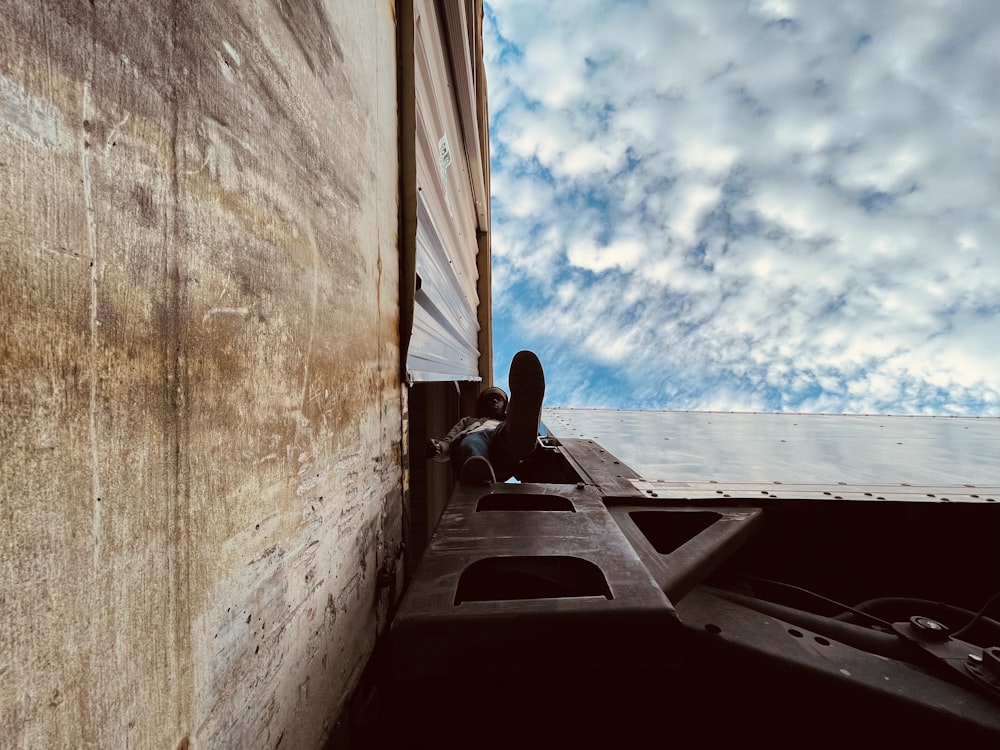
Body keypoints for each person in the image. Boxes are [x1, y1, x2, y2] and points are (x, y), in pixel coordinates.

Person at [426, 350, 545, 483]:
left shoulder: (507, 422)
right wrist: (439, 448)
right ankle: (477, 469)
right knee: (471, 443)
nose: (494, 401)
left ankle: (521, 428)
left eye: (498, 399)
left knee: (510, 433)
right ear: (483, 405)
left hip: (504, 446)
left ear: (505, 406)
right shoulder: (468, 421)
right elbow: (449, 441)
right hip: (476, 442)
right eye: (490, 399)